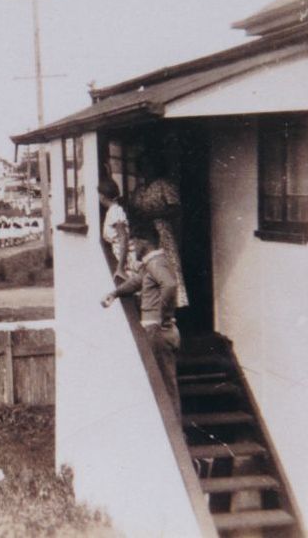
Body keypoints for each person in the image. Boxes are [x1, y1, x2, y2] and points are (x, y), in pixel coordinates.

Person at [101, 223, 182, 421]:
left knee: (164, 384)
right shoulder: (150, 265)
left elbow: (170, 284)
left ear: (144, 242)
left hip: (158, 331)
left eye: (134, 243)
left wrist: (162, 315)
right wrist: (115, 293)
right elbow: (137, 282)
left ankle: (174, 431)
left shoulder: (156, 263)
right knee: (161, 382)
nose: (132, 247)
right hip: (155, 329)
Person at [129, 152, 188, 308]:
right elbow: (133, 209)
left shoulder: (164, 185)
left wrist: (154, 214)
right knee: (146, 267)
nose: (146, 169)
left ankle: (170, 305)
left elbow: (176, 209)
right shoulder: (139, 189)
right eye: (143, 166)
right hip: (144, 232)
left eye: (149, 165)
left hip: (161, 231)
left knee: (166, 266)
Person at [98, 179, 133, 282]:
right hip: (119, 254)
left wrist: (120, 267)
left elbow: (123, 238)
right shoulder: (113, 210)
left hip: (125, 257)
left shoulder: (115, 212)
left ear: (102, 196)